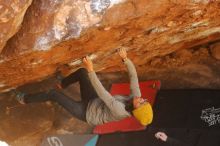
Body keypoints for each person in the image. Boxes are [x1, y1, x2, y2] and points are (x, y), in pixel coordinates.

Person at [14, 48, 153, 126]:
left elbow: (103, 93)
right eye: (145, 101)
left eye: (142, 103)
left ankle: (24, 99)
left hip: (86, 113)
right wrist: (125, 59)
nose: (142, 99)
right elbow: (134, 77)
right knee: (81, 73)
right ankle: (62, 83)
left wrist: (91, 69)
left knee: (53, 94)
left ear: (136, 109)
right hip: (94, 101)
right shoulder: (135, 97)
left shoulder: (120, 111)